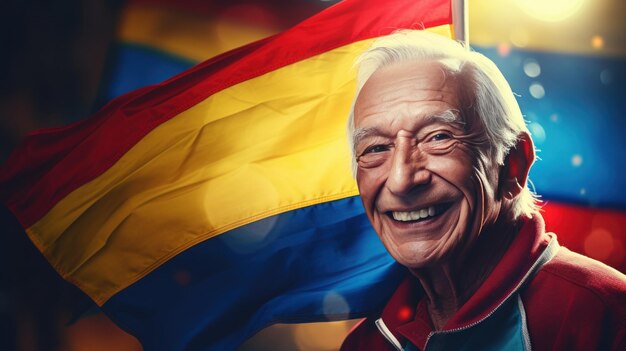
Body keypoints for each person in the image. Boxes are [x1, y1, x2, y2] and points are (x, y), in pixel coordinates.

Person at [341, 30, 626, 351]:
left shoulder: (607, 316)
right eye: (376, 147)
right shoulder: (367, 343)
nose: (401, 179)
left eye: (438, 137)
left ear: (513, 164)